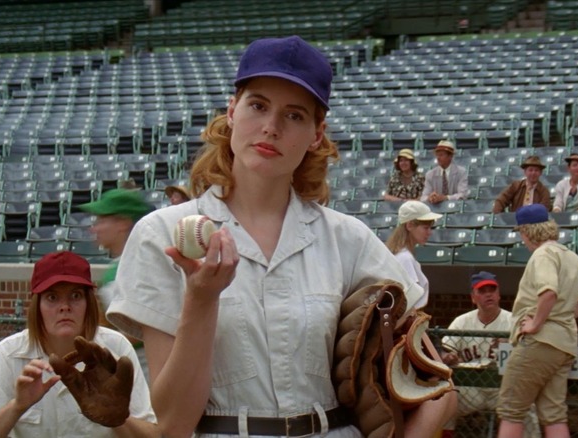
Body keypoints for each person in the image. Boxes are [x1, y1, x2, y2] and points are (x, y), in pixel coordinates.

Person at [105, 35, 456, 438]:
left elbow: (439, 388)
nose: (270, 128)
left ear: (316, 134)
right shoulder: (161, 234)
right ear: (232, 111)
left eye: (294, 116)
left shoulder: (349, 239)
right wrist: (201, 300)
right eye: (258, 105)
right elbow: (173, 425)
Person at [0, 251, 157, 438]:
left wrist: (117, 418)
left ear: (89, 303)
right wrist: (17, 406)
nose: (65, 307)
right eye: (52, 297)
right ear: (37, 307)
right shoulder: (9, 353)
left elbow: (153, 435)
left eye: (76, 296)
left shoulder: (115, 348)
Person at [496, 204, 578, 438]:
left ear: (526, 231)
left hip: (539, 343)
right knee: (554, 414)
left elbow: (548, 292)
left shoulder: (542, 254)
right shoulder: (570, 254)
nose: (521, 239)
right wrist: (562, 316)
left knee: (511, 410)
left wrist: (537, 323)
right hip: (564, 343)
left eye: (520, 233)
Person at [440, 272, 541, 438]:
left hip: (503, 387)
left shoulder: (513, 321)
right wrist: (447, 355)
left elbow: (530, 353)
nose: (488, 294)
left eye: (492, 290)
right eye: (482, 291)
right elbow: (445, 349)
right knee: (442, 402)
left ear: (499, 295)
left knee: (526, 406)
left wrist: (512, 347)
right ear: (473, 297)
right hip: (470, 388)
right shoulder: (462, 322)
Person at [79, 189, 154, 379]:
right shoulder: (121, 265)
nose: (94, 229)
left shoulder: (141, 264)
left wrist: (100, 350)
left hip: (148, 373)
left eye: (101, 221)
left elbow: (145, 327)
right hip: (134, 372)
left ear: (123, 223)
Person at [385, 200, 442, 309]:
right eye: (425, 227)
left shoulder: (401, 254)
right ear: (410, 225)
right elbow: (407, 301)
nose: (429, 232)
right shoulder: (404, 258)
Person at [420, 140, 469, 204]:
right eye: (437, 155)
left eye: (441, 155)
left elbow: (463, 195)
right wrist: (430, 197)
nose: (438, 158)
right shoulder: (430, 174)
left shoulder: (461, 172)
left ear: (450, 156)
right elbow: (423, 197)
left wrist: (445, 198)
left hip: (455, 207)